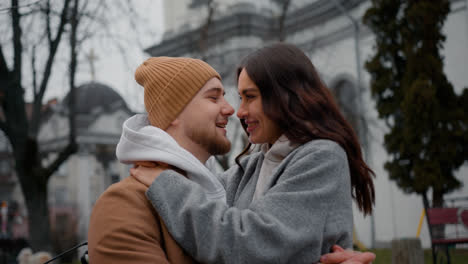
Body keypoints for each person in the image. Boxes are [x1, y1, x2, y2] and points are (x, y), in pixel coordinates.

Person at [130, 43, 376, 264]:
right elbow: (200, 202)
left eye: (250, 97)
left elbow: (250, 246)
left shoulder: (322, 157)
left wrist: (164, 183)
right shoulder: (251, 167)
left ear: (284, 96)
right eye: (240, 98)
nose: (239, 111)